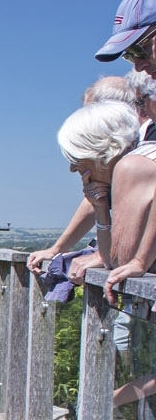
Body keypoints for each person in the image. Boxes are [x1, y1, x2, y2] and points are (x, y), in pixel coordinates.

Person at [55, 101, 156, 302]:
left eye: (76, 159)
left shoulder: (133, 166)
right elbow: (114, 259)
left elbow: (120, 260)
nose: (73, 169)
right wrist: (100, 206)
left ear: (102, 151)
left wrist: (139, 260)